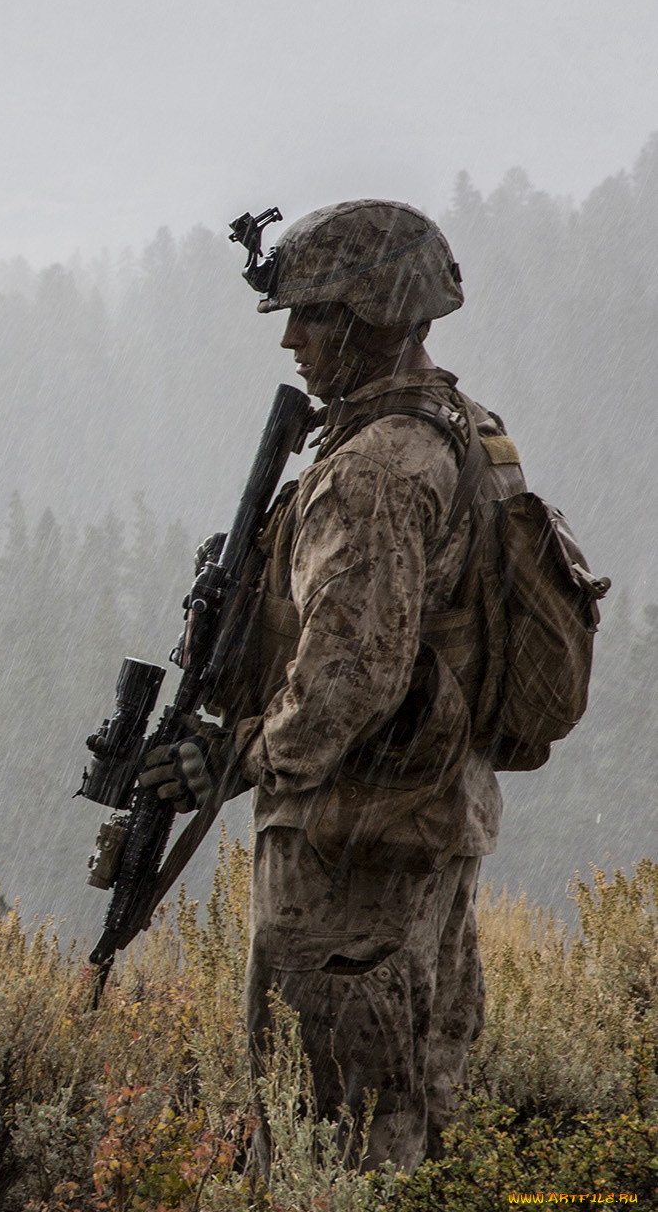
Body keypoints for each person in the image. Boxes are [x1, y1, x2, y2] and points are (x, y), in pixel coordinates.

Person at [139, 199, 510, 1172]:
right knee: (418, 1134)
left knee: (327, 1151)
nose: (293, 339)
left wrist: (233, 755)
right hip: (422, 827)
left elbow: (349, 678)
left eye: (313, 315)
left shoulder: (373, 473)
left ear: (372, 314)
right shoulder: (456, 433)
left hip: (350, 855)